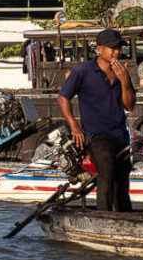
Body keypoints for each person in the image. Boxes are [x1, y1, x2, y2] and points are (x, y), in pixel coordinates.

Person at [57, 28, 136, 212]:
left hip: (120, 135)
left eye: (119, 48)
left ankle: (124, 219)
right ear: (99, 49)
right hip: (95, 135)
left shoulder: (122, 73)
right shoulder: (82, 71)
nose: (117, 52)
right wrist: (74, 127)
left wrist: (124, 82)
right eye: (112, 48)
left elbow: (130, 106)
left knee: (122, 184)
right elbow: (63, 98)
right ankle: (103, 215)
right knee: (106, 170)